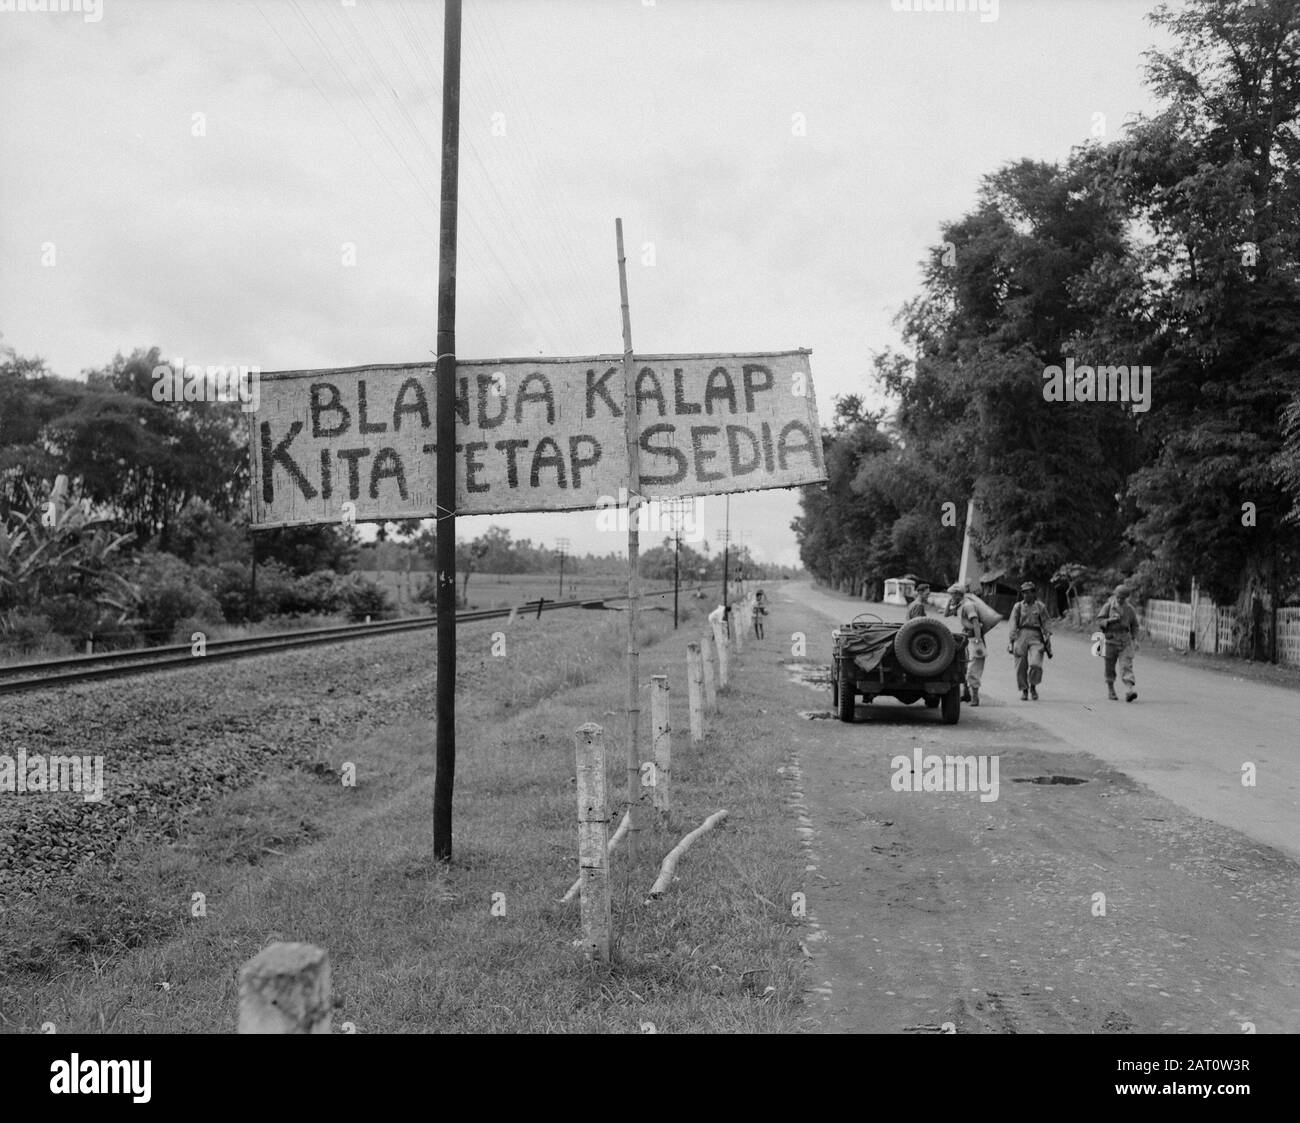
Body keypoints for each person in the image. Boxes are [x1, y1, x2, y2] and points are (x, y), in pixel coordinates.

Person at [1008, 580, 1052, 701]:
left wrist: (1048, 635)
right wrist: (1011, 640)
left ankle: (1033, 685)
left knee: (1036, 663)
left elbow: (1046, 621)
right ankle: (1024, 690)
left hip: (1036, 636)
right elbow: (1012, 622)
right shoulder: (1018, 606)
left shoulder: (1040, 606)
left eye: (1028, 592)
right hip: (1021, 635)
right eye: (1024, 593)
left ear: (1033, 593)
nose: (1026, 595)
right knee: (1021, 665)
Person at [1095, 583, 1139, 701]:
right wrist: (1110, 621)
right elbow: (1099, 621)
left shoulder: (1130, 609)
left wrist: (1135, 639)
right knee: (1109, 667)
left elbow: (1134, 625)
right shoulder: (1108, 606)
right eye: (1118, 597)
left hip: (1125, 641)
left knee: (1126, 665)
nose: (1120, 599)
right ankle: (1111, 689)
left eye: (1122, 598)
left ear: (1126, 598)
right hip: (1110, 641)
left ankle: (1129, 690)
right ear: (1115, 595)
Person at [947, 583, 985, 706]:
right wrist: (950, 601)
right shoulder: (960, 605)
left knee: (974, 669)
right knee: (964, 666)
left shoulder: (968, 606)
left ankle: (975, 697)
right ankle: (966, 694)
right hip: (967, 639)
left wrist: (978, 640)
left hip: (975, 639)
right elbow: (946, 614)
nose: (951, 596)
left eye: (953, 594)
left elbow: (975, 623)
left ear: (959, 594)